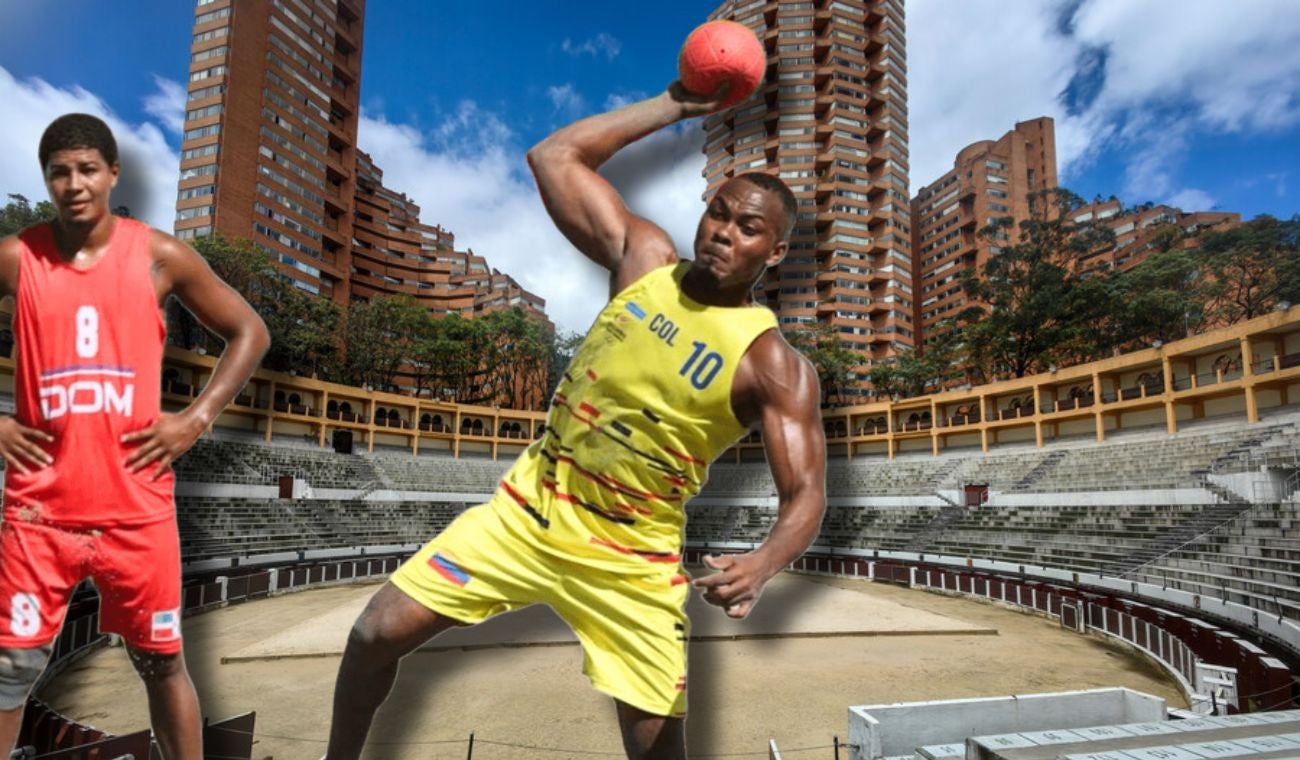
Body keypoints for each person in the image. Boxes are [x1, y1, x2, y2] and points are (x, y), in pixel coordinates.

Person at [325, 81, 826, 760]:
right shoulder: (644, 260)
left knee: (657, 750)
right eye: (718, 213)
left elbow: (806, 494)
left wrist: (764, 563)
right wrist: (677, 106)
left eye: (747, 228)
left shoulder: (772, 365)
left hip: (630, 558)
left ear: (775, 253)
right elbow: (553, 156)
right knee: (373, 634)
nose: (722, 232)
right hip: (527, 513)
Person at [0, 113, 270, 759]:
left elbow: (250, 331)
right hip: (39, 511)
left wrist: (196, 418)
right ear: (46, 178)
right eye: (59, 172)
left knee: (161, 663)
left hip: (136, 509)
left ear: (112, 173)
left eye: (87, 169)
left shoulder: (159, 256)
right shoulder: (16, 257)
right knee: (11, 670)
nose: (74, 184)